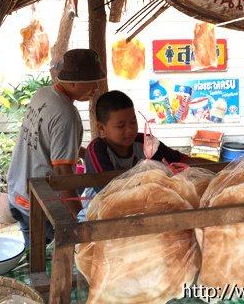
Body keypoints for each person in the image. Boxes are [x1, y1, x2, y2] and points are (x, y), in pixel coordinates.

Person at [7, 49, 106, 246]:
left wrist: (87, 154)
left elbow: (51, 140)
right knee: (48, 263)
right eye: (91, 81)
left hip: (17, 190)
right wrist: (79, 219)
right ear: (72, 82)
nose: (97, 87)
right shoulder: (66, 114)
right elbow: (63, 173)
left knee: (34, 254)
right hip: (40, 205)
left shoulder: (43, 95)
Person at [79, 90, 189, 220]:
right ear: (102, 128)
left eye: (133, 122)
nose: (130, 130)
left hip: (139, 214)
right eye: (121, 126)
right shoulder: (97, 150)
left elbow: (183, 161)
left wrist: (216, 168)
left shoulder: (145, 143)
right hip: (97, 218)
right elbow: (108, 194)